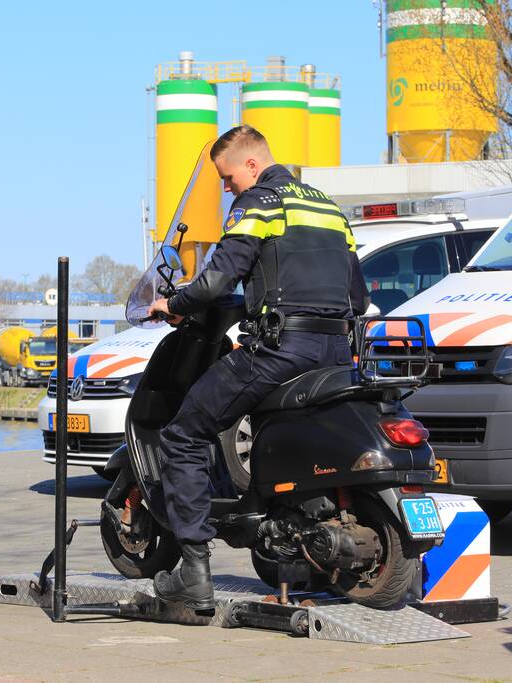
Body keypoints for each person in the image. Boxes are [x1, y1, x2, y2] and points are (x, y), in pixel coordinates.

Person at [147, 125, 369, 612]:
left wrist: (174, 303)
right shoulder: (328, 207)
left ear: (251, 165)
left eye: (228, 179)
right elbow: (359, 296)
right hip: (336, 352)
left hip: (281, 349)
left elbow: (216, 279)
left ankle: (192, 571)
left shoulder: (260, 204)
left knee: (184, 434)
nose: (228, 189)